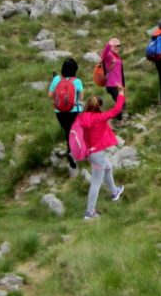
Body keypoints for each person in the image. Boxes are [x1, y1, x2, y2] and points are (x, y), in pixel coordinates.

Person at [75, 89, 126, 220]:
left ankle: (114, 192)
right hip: (97, 154)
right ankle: (89, 212)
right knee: (96, 183)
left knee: (108, 167)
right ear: (99, 106)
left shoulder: (81, 117)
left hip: (90, 153)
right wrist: (120, 93)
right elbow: (116, 110)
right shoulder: (100, 117)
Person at [49, 58, 83, 169]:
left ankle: (70, 151)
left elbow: (50, 95)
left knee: (68, 131)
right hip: (74, 111)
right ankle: (74, 152)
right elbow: (81, 97)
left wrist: (54, 81)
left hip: (60, 112)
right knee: (75, 131)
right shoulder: (77, 81)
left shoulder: (56, 79)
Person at [100, 38, 125, 119]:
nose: (117, 47)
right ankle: (119, 121)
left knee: (122, 103)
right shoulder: (109, 55)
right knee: (120, 103)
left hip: (119, 84)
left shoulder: (117, 57)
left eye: (118, 46)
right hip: (111, 85)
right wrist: (109, 44)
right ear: (111, 46)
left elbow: (120, 72)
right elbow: (103, 54)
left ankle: (116, 118)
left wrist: (123, 85)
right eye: (115, 46)